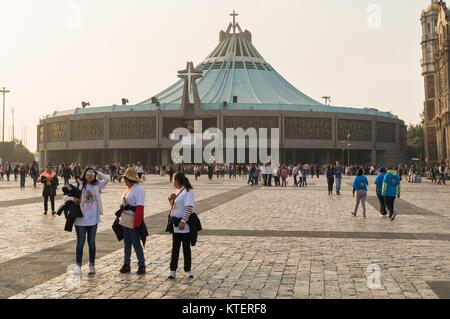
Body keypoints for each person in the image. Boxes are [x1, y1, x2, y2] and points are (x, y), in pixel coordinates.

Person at [71, 167, 110, 275]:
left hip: (93, 220)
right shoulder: (78, 185)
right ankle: (78, 265)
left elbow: (107, 178)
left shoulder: (97, 185)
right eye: (88, 174)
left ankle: (91, 265)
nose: (90, 176)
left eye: (92, 174)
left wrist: (97, 172)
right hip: (80, 220)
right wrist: (72, 199)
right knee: (80, 243)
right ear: (84, 175)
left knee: (92, 243)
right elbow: (65, 197)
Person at [167, 172, 196, 279]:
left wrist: (183, 221)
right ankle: (172, 270)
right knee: (175, 248)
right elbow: (177, 208)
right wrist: (171, 202)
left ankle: (188, 270)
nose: (173, 183)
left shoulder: (188, 191)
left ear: (178, 180)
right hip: (176, 225)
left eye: (174, 180)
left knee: (186, 248)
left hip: (184, 225)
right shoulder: (179, 191)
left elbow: (189, 208)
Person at [119, 167, 146, 275]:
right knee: (127, 243)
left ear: (129, 179)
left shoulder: (139, 189)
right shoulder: (129, 189)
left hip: (133, 219)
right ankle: (126, 264)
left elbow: (140, 207)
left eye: (125, 179)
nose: (124, 181)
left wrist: (137, 222)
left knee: (136, 243)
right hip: (126, 219)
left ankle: (141, 264)